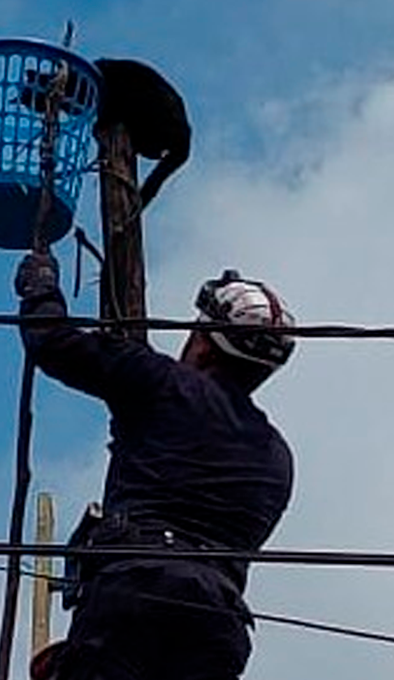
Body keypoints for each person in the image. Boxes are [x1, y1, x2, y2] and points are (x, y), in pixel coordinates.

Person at [15, 252, 296, 680]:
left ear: (205, 342)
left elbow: (53, 343)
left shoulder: (163, 384)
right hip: (218, 625)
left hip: (134, 591)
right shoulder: (276, 458)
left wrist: (40, 287)